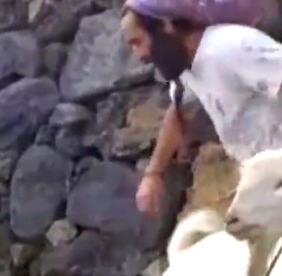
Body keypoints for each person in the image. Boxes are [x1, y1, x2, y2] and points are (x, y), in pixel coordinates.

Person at [120, 0, 282, 218]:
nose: (139, 55)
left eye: (137, 42)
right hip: (267, 179)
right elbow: (178, 113)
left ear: (165, 26)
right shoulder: (188, 67)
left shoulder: (229, 48)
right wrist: (153, 174)